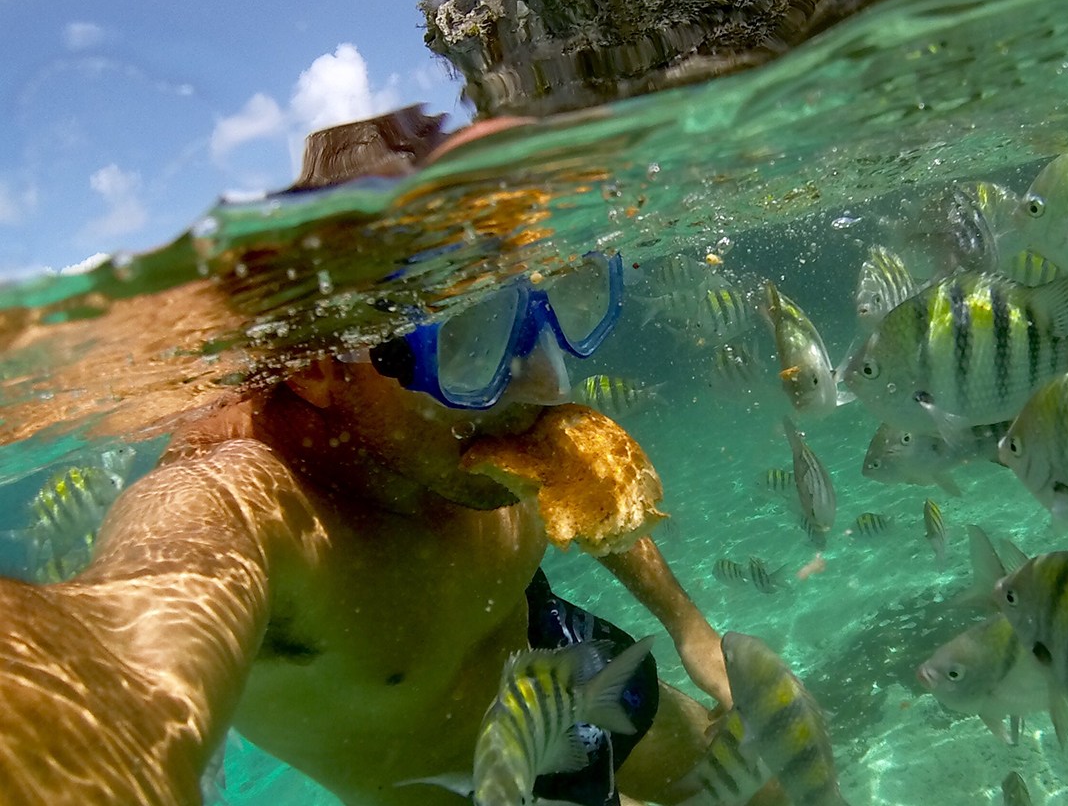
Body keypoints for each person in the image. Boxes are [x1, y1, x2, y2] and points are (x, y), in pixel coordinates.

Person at [0, 108, 736, 806]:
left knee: (739, 774)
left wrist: (688, 627)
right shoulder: (250, 503)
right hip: (463, 787)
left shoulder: (485, 419)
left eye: (557, 302)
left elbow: (576, 489)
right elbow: (117, 653)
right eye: (468, 332)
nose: (550, 382)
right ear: (316, 364)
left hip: (554, 662)